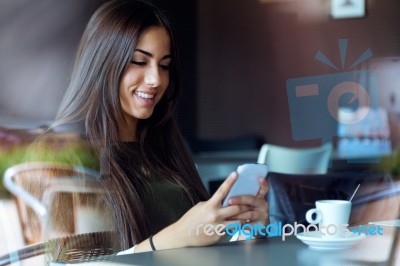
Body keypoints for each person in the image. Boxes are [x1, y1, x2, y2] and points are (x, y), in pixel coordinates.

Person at [35, 0, 269, 253]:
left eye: (164, 65)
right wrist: (174, 237)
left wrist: (245, 232)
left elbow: (200, 243)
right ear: (102, 62)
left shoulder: (163, 142)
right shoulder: (62, 151)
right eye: (139, 61)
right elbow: (71, 261)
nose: (156, 79)